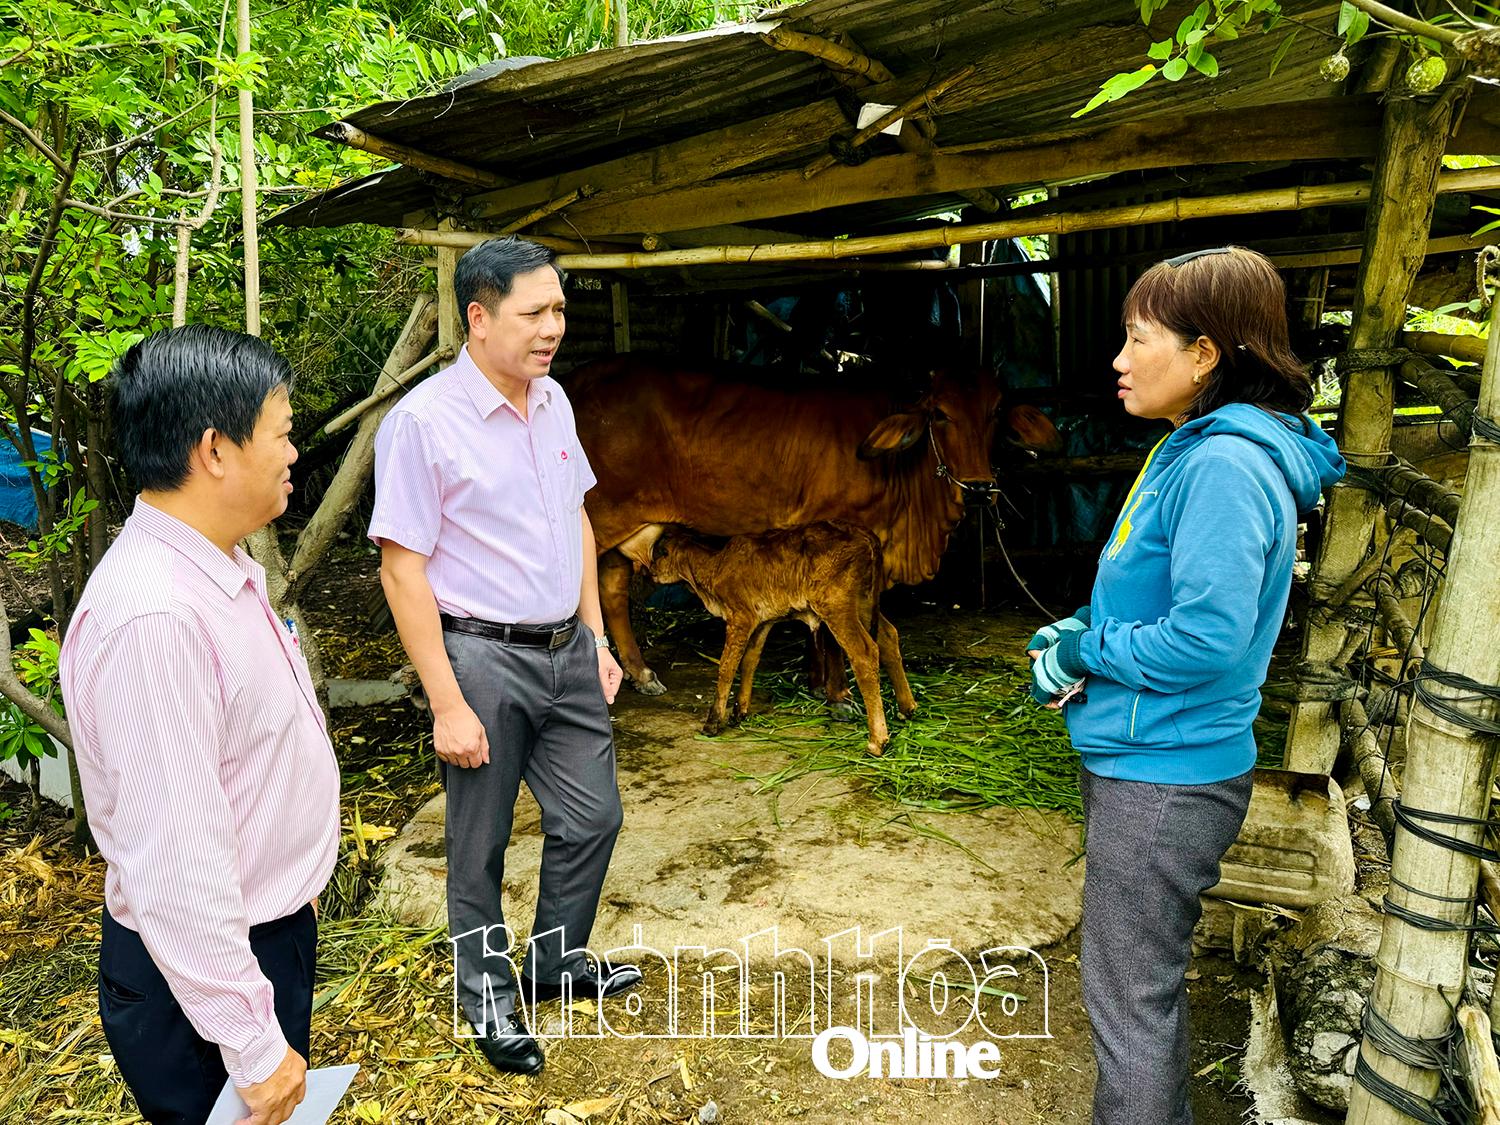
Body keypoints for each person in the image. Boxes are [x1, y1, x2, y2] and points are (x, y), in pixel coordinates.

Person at [1026, 247, 1345, 1124]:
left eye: (1138, 339)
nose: (1119, 359)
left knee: (1130, 999)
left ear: (1204, 354)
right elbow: (1166, 599)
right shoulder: (1192, 447)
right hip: (1152, 757)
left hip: (1165, 777)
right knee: (1135, 987)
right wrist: (1082, 630)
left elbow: (1207, 637)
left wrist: (1090, 653)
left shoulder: (1224, 467)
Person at [59, 325, 340, 1125]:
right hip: (203, 980)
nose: (294, 453)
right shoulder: (156, 617)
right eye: (282, 433)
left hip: (251, 946)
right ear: (215, 449)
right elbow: (176, 861)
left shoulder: (213, 568)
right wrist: (251, 1043)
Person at [370, 235, 636, 1077]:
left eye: (558, 309)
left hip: (567, 649)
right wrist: (447, 702)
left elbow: (577, 517)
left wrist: (597, 633)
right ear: (479, 319)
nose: (553, 327)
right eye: (534, 312)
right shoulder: (422, 423)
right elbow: (401, 568)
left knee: (593, 816)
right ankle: (485, 993)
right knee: (478, 844)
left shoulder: (552, 400)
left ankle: (555, 961)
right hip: (481, 657)